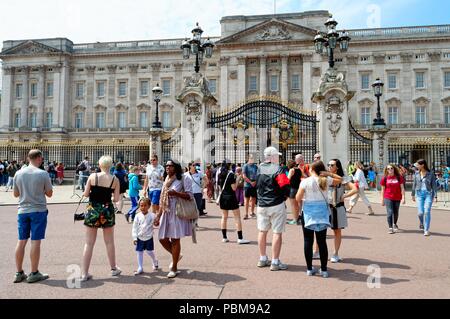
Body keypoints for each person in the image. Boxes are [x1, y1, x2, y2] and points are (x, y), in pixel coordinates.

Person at [296, 161, 342, 278]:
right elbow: (341, 179)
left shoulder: (305, 182)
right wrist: (328, 174)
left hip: (308, 212)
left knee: (308, 240)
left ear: (312, 170)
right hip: (323, 212)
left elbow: (298, 198)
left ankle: (309, 269)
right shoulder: (326, 180)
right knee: (322, 241)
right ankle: (324, 269)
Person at [13, 150, 53, 283]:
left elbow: (15, 194)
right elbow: (49, 193)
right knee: (35, 242)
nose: (42, 160)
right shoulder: (43, 173)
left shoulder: (18, 173)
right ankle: (34, 272)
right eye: (41, 158)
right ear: (37, 158)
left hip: (22, 210)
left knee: (21, 241)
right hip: (38, 210)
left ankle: (19, 273)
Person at [80, 156, 121, 281]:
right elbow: (117, 199)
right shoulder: (115, 179)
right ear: (110, 165)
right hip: (107, 209)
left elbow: (86, 194)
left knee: (89, 243)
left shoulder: (93, 177)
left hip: (93, 209)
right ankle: (113, 268)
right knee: (109, 242)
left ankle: (84, 273)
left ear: (99, 164)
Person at [153, 160, 193, 278]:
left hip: (177, 212)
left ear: (176, 168)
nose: (167, 168)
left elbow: (190, 195)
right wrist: (158, 215)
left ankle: (174, 267)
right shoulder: (166, 179)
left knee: (175, 239)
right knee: (162, 238)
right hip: (166, 211)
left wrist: (176, 193)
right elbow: (162, 199)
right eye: (166, 166)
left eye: (170, 166)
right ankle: (176, 255)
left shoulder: (183, 179)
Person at [256, 147, 291, 271]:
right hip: (276, 203)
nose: (278, 158)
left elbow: (256, 185)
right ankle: (275, 261)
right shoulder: (278, 169)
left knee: (262, 231)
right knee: (277, 232)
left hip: (261, 204)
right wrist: (285, 196)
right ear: (272, 156)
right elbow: (285, 186)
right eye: (277, 156)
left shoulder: (259, 168)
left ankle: (262, 258)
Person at [327, 159, 358, 263]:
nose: (329, 166)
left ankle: (335, 253)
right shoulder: (325, 177)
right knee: (320, 231)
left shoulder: (343, 178)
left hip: (337, 207)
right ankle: (317, 251)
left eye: (332, 165)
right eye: (329, 165)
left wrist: (344, 195)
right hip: (326, 207)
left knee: (337, 231)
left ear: (337, 167)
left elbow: (354, 189)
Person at [218, 160, 250, 244]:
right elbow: (234, 188)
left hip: (223, 197)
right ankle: (240, 238)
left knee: (224, 217)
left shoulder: (220, 174)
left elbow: (219, 186)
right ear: (229, 166)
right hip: (231, 197)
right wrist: (238, 178)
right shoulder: (231, 174)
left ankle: (224, 237)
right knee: (237, 217)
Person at [132, 198, 159, 275]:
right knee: (139, 252)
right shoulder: (137, 216)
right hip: (139, 237)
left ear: (149, 206)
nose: (143, 207)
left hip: (149, 237)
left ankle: (154, 261)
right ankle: (140, 267)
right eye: (141, 206)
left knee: (149, 251)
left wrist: (157, 223)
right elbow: (134, 227)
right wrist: (134, 237)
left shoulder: (152, 215)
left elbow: (157, 224)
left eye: (145, 206)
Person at [412, 159, 437, 236]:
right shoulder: (416, 174)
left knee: (426, 212)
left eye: (418, 165)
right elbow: (414, 185)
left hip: (428, 194)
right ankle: (422, 223)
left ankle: (426, 229)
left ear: (422, 165)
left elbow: (434, 186)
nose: (416, 166)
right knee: (420, 213)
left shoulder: (431, 174)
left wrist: (435, 196)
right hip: (419, 194)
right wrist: (413, 194)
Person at [381, 164, 406, 234]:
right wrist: (382, 199)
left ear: (394, 169)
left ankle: (394, 223)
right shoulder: (385, 178)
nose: (390, 170)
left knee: (396, 212)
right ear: (386, 170)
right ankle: (390, 227)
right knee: (389, 212)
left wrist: (404, 198)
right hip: (388, 197)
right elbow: (382, 190)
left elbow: (402, 188)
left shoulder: (399, 177)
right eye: (388, 169)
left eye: (391, 168)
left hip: (397, 197)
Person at [243, 155, 258, 219]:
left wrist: (255, 181)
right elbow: (244, 176)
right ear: (248, 158)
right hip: (247, 185)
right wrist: (250, 182)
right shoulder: (245, 166)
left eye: (253, 158)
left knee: (254, 199)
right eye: (251, 158)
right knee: (247, 200)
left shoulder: (255, 166)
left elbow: (258, 175)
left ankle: (252, 212)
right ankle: (246, 213)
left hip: (254, 184)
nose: (252, 159)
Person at [287, 159, 302, 225]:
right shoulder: (299, 169)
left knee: (293, 205)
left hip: (292, 189)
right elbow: (303, 176)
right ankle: (297, 218)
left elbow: (288, 179)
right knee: (297, 205)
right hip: (298, 188)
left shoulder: (291, 170)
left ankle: (295, 219)